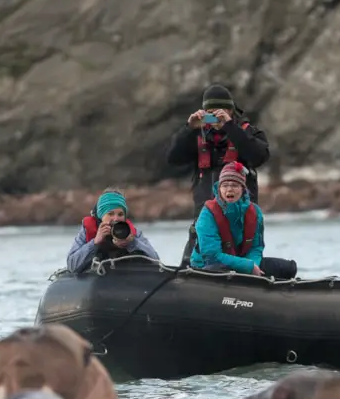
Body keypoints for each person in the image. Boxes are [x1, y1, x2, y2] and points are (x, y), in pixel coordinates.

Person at [167, 84, 270, 265]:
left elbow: (259, 156)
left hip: (241, 215)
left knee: (245, 255)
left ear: (230, 110)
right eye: (210, 112)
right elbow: (173, 158)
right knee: (196, 259)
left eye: (219, 112)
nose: (214, 118)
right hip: (205, 215)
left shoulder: (247, 132)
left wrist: (230, 127)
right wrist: (188, 129)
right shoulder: (196, 135)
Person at [190, 161, 297, 279]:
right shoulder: (207, 213)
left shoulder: (255, 212)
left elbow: (256, 247)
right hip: (209, 265)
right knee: (217, 270)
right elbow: (212, 255)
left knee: (288, 268)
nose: (229, 190)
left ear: (242, 189)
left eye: (234, 185)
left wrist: (253, 265)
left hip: (242, 263)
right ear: (219, 189)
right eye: (225, 186)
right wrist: (247, 266)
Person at [66, 188, 160, 274]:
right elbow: (72, 266)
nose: (116, 219)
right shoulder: (88, 231)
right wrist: (95, 243)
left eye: (120, 214)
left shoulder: (132, 233)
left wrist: (132, 243)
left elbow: (156, 261)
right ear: (101, 216)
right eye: (110, 214)